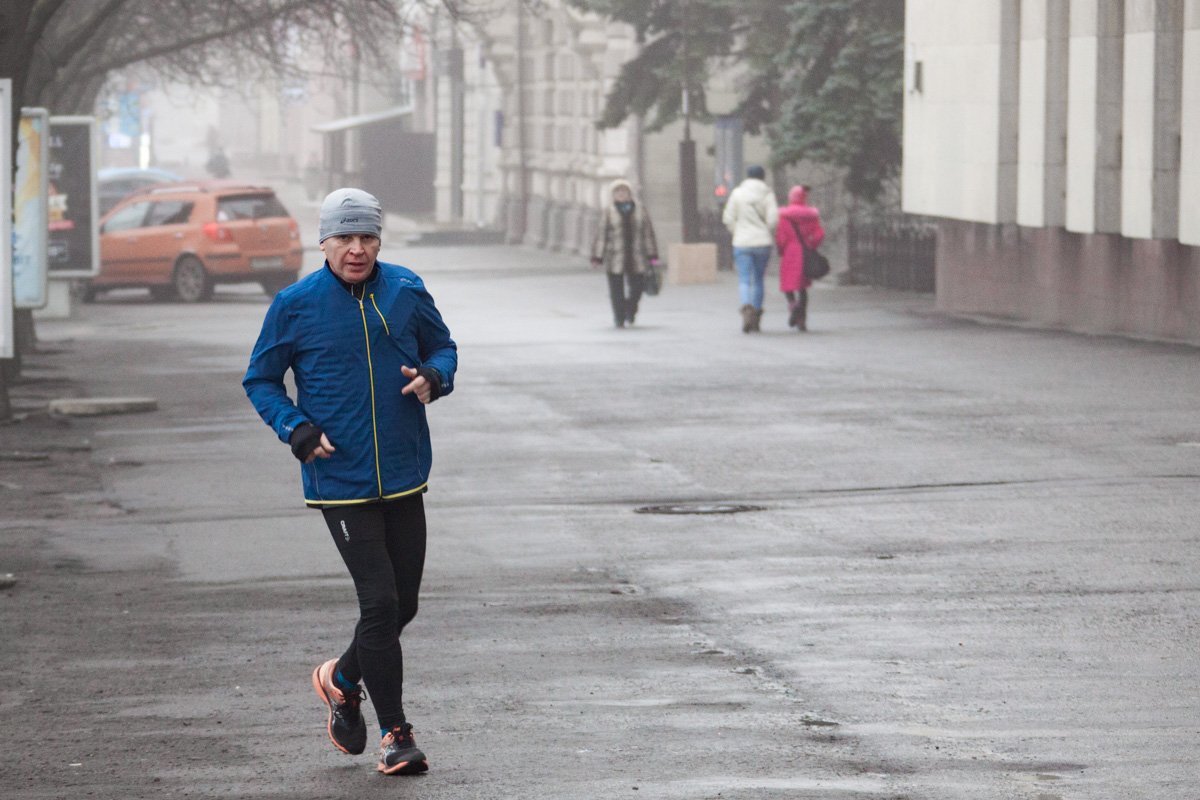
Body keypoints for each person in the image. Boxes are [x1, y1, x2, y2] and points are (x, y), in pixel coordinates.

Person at [243, 188, 457, 776]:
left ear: (379, 240)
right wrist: (297, 429)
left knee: (402, 604)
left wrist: (435, 376)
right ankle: (396, 734)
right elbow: (260, 380)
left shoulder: (406, 289)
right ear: (325, 242)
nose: (356, 249)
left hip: (405, 471)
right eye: (344, 238)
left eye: (366, 237)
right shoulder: (295, 304)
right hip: (338, 477)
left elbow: (443, 346)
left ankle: (340, 678)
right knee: (381, 602)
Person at [590, 178, 660, 328]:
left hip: (637, 256)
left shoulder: (640, 209)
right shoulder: (609, 211)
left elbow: (648, 233)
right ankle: (619, 317)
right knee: (616, 290)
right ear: (613, 195)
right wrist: (597, 256)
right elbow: (601, 234)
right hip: (615, 256)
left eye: (624, 191)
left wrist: (652, 255)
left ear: (629, 193)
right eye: (618, 192)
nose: (621, 194)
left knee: (637, 287)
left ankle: (630, 309)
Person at [722, 165, 779, 333]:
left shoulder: (737, 193)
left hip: (742, 242)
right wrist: (765, 230)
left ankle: (746, 309)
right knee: (759, 279)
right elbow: (773, 219)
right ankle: (756, 314)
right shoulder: (768, 194)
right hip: (762, 242)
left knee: (744, 279)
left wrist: (737, 231)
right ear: (763, 177)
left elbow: (728, 218)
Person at [775, 185, 825, 331]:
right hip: (805, 252)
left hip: (790, 252)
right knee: (802, 287)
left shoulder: (785, 217)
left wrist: (781, 250)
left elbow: (781, 237)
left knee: (788, 284)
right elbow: (819, 234)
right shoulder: (811, 216)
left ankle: (793, 305)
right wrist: (811, 244)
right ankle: (802, 318)